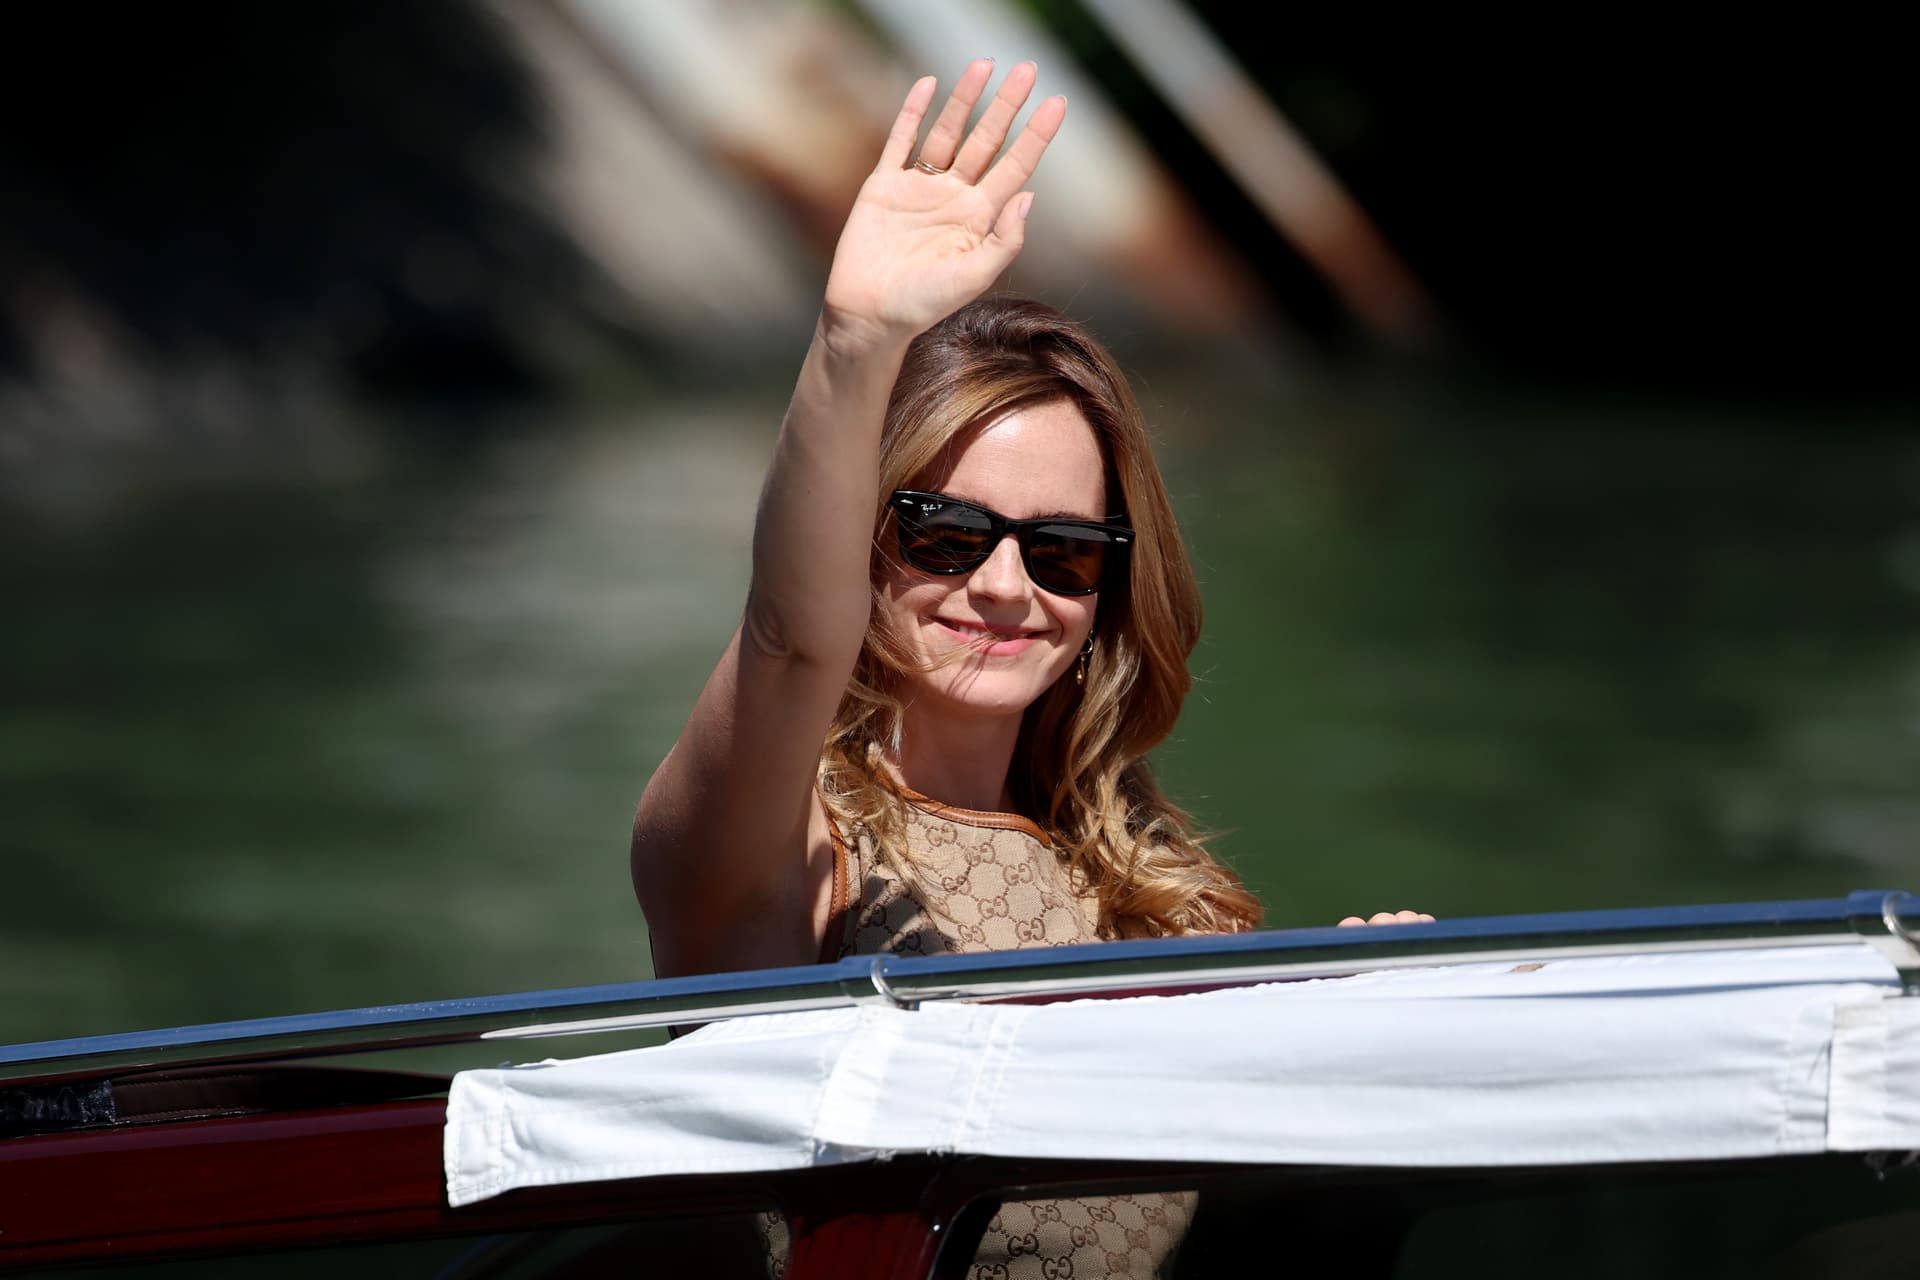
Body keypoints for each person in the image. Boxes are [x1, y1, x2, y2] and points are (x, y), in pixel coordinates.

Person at [631, 59, 1429, 1280]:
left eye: (1060, 550)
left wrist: (1371, 1036)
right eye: (946, 533)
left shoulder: (1162, 898)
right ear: (864, 540)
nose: (1006, 587)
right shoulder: (774, 859)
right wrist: (856, 341)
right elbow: (791, 641)